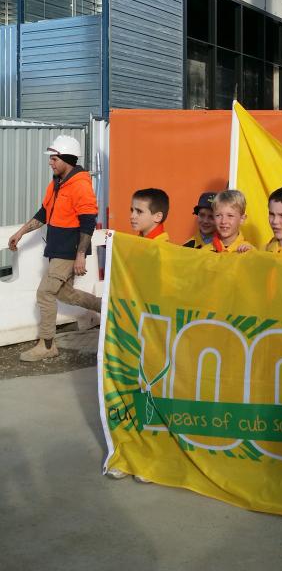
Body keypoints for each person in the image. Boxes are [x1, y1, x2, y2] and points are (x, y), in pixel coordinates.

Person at [8, 136, 102, 362]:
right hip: (57, 248)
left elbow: (88, 221)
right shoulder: (57, 183)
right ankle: (106, 307)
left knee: (45, 293)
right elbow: (44, 213)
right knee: (64, 293)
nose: (50, 162)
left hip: (69, 250)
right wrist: (20, 233)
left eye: (54, 158)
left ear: (67, 159)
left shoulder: (80, 185)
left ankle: (47, 344)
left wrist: (80, 256)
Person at [107, 186, 171, 483]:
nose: (131, 216)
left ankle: (151, 459)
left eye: (139, 211)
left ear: (157, 216)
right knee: (134, 396)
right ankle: (130, 454)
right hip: (134, 332)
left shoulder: (164, 249)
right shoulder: (136, 244)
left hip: (155, 336)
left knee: (152, 398)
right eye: (131, 210)